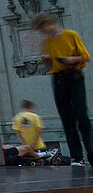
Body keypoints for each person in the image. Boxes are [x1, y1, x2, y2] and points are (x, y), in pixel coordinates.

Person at [33, 12, 93, 166]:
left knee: (81, 115)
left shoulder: (70, 35)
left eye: (42, 27)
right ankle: (77, 158)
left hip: (74, 76)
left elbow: (85, 56)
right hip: (58, 79)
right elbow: (51, 66)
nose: (42, 31)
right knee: (67, 118)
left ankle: (91, 154)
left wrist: (72, 59)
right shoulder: (47, 42)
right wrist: (47, 60)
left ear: (48, 23)